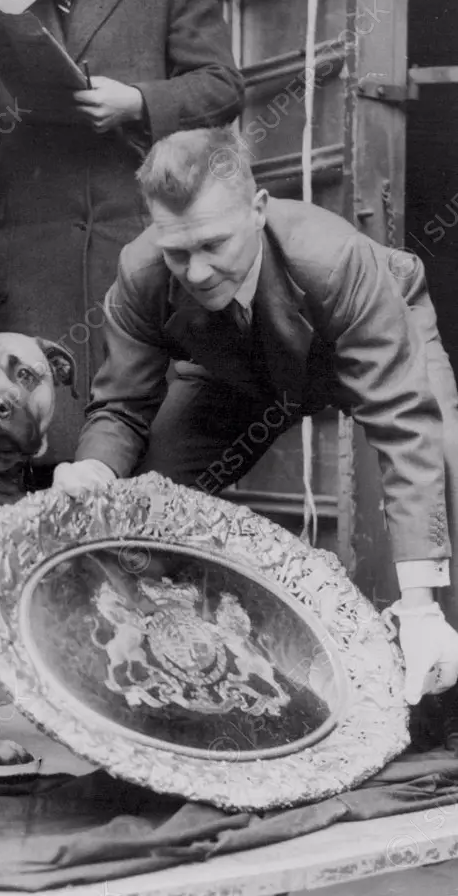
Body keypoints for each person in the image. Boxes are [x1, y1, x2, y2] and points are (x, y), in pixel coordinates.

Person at [53, 125, 458, 708]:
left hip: (356, 342)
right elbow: (121, 405)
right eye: (178, 251)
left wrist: (419, 604)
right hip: (236, 370)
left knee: (443, 462)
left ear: (258, 210)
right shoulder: (141, 273)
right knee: (152, 492)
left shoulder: (336, 258)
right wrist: (92, 469)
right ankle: (179, 676)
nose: (195, 273)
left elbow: (403, 422)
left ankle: (437, 664)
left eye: (214, 244)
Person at [0, 0, 244, 467]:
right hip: (36, 256)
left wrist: (139, 102)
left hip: (137, 243)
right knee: (38, 447)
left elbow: (222, 86)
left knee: (150, 439)